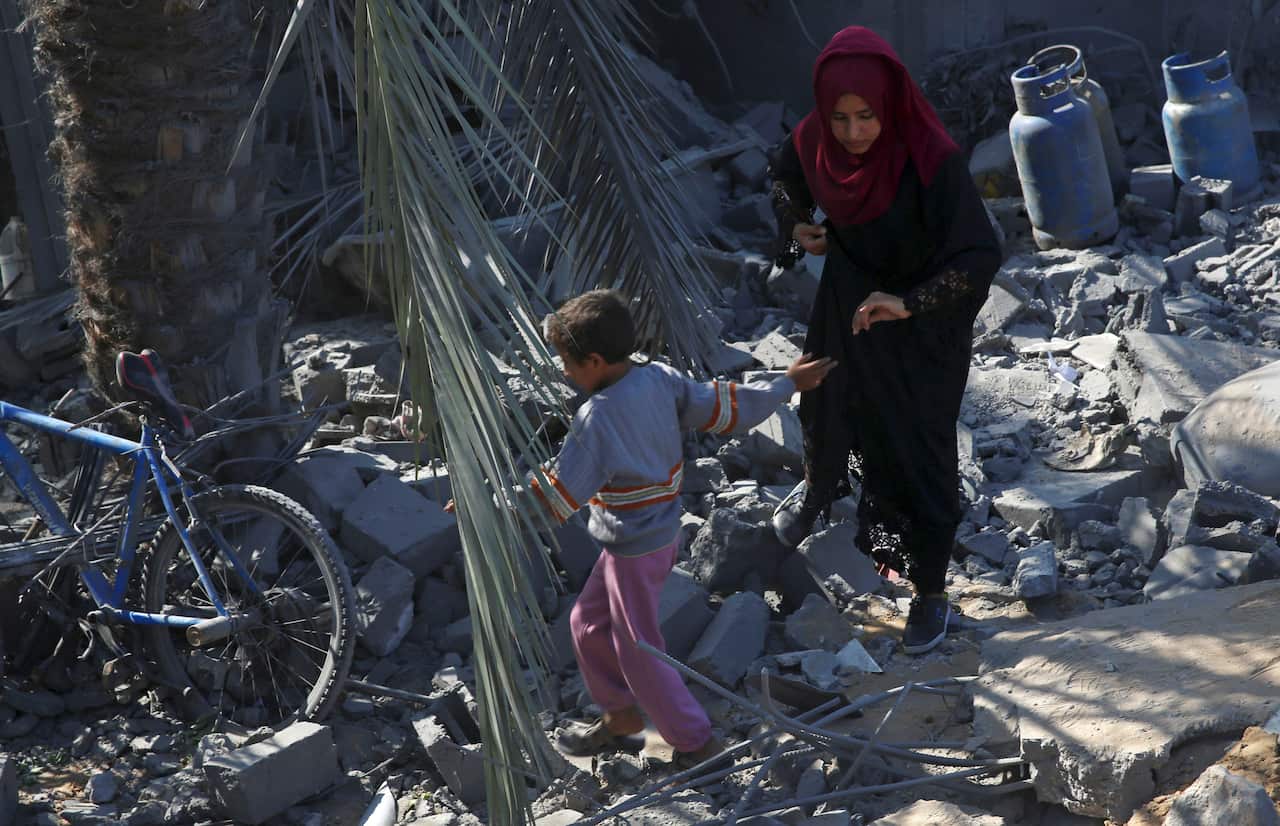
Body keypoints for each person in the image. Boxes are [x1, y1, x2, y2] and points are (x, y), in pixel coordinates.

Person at [768, 26, 1001, 655]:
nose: (852, 133)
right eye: (839, 117)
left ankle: (928, 591)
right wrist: (797, 225)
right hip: (847, 300)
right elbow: (784, 173)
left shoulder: (932, 158)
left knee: (918, 450)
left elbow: (981, 254)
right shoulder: (816, 139)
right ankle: (821, 487)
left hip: (921, 324)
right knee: (826, 398)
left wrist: (910, 302)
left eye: (866, 116)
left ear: (890, 105)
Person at [534, 290, 835, 763]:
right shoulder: (659, 378)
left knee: (640, 651)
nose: (566, 373)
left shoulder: (597, 418)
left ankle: (699, 743)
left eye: (567, 363)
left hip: (635, 549)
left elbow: (558, 495)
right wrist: (785, 384)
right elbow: (726, 406)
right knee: (586, 623)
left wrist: (488, 508)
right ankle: (621, 715)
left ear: (593, 360)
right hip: (645, 539)